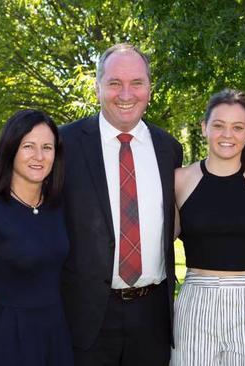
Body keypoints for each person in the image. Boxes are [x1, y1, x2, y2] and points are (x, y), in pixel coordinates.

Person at [58, 44, 182, 365]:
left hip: (153, 315)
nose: (126, 93)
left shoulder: (169, 149)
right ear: (98, 87)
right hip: (87, 317)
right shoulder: (64, 145)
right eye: (114, 83)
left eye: (137, 83)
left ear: (149, 89)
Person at [171, 89, 245, 365]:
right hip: (196, 300)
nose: (227, 134)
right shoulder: (181, 180)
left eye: (238, 127)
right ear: (205, 127)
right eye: (218, 125)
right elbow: (158, 240)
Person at [0, 110, 72, 365]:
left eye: (47, 147)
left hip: (55, 338)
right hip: (7, 340)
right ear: (10, 150)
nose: (39, 156)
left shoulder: (58, 208)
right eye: (28, 147)